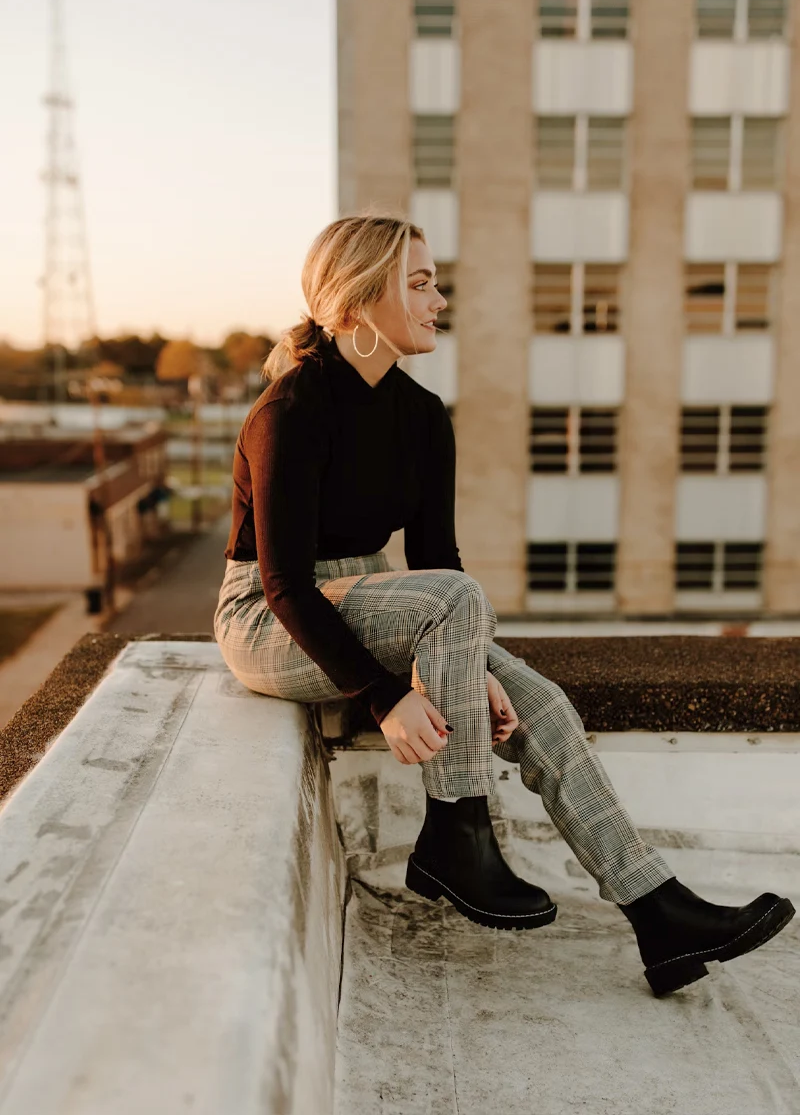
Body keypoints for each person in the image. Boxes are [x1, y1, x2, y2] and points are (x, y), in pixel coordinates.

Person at [214, 213, 794, 998]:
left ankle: (661, 914)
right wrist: (386, 696)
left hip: (385, 598)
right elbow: (285, 585)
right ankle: (457, 833)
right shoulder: (290, 412)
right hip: (270, 617)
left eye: (434, 282)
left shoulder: (421, 417)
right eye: (417, 283)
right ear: (355, 300)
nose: (438, 299)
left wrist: (461, 663)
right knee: (453, 604)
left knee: (542, 704)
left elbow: (437, 564)